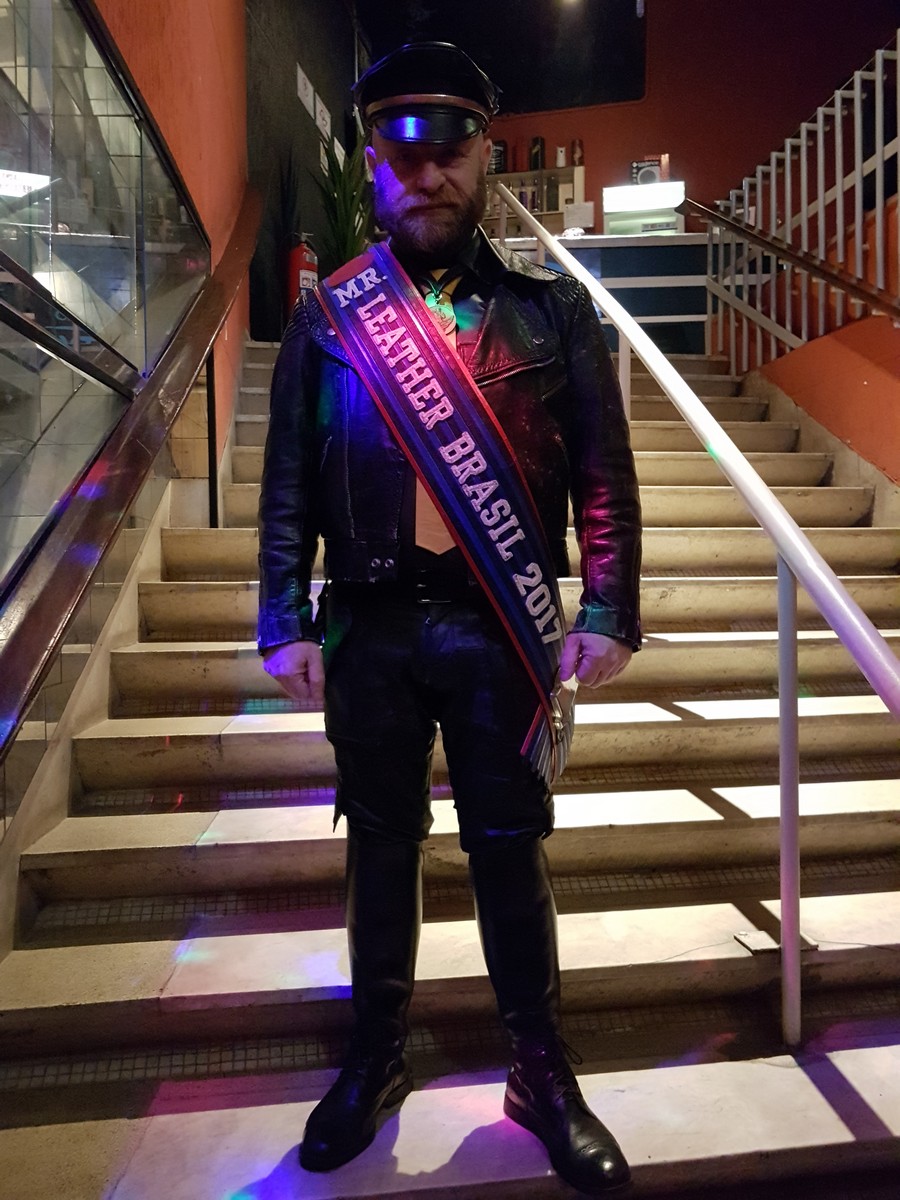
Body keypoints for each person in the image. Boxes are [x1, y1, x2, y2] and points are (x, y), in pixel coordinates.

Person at [258, 41, 642, 1196]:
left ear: (486, 157)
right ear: (375, 163)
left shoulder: (552, 313)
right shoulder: (331, 319)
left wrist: (609, 605)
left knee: (510, 850)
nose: (427, 176)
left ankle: (540, 1071)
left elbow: (606, 481)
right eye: (401, 153)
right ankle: (375, 1058)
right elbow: (288, 483)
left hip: (498, 629)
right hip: (367, 628)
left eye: (451, 152)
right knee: (380, 847)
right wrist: (282, 615)